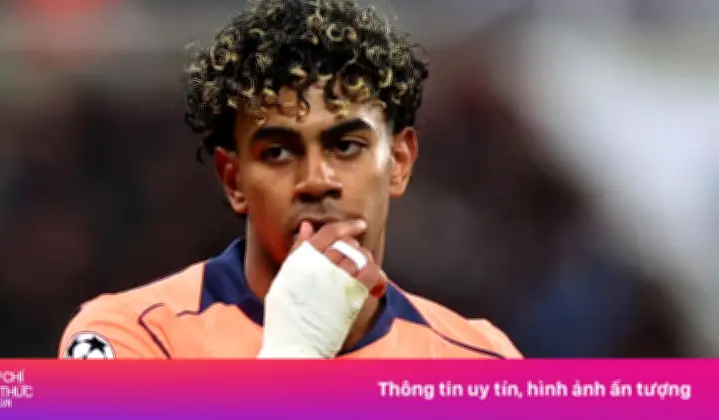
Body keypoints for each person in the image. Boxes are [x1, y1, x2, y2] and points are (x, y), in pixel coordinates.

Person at [59, 0, 522, 359]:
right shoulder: (130, 337)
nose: (317, 181)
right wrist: (294, 358)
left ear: (399, 162)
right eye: (278, 152)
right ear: (233, 180)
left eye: (346, 146)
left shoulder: (482, 361)